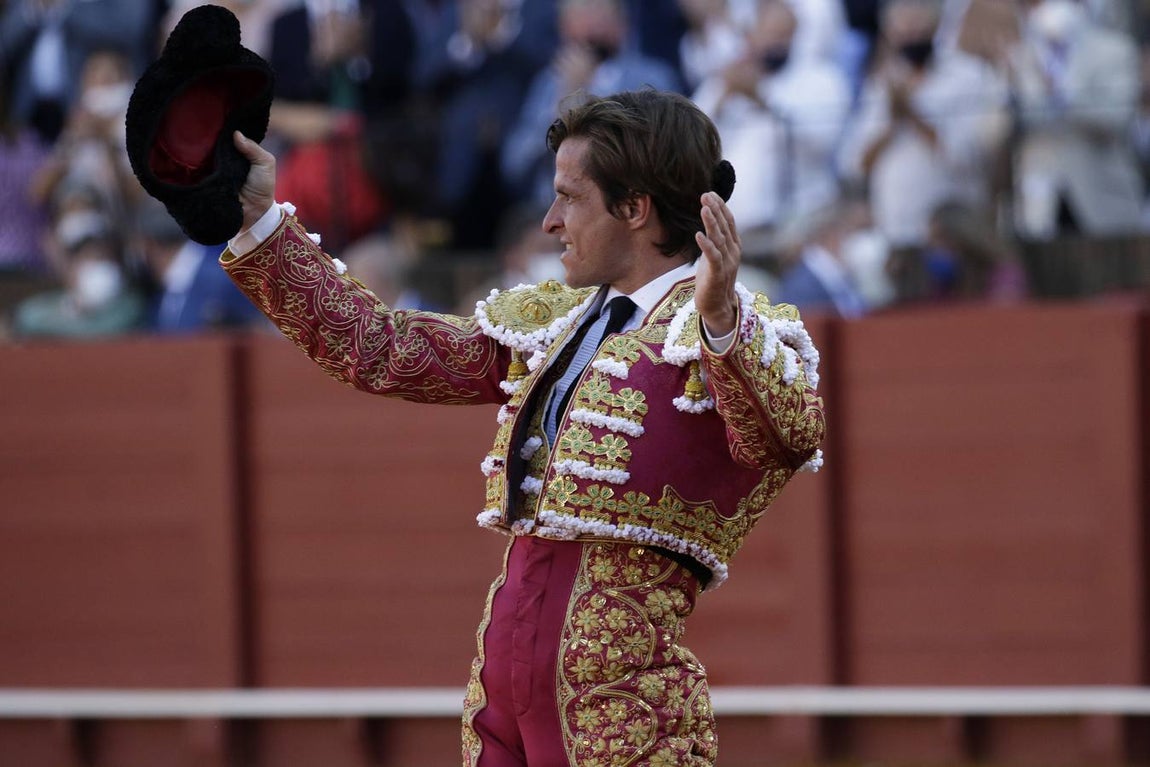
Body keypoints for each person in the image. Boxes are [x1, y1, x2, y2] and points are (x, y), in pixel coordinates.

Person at [222, 89, 824, 766]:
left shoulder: (722, 328)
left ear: (635, 208)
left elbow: (787, 434)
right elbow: (384, 348)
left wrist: (720, 320)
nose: (548, 222)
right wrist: (262, 223)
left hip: (624, 707)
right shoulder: (556, 320)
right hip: (500, 697)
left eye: (570, 197)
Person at [837, 0, 1008, 303]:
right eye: (902, 32)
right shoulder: (883, 82)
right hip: (896, 234)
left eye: (918, 29)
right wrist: (892, 118)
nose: (911, 39)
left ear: (934, 28)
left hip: (952, 237)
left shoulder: (968, 75)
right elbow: (854, 164)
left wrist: (915, 114)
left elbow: (969, 156)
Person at [691, 0, 851, 252]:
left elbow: (821, 144)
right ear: (750, 35)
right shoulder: (728, 78)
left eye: (783, 35)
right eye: (768, 34)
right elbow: (691, 135)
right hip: (739, 225)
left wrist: (760, 99)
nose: (775, 43)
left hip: (803, 221)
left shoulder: (820, 77)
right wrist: (725, 95)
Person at [500, 0, 683, 209]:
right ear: (562, 27)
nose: (589, 22)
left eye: (598, 10)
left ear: (622, 23)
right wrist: (559, 109)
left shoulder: (653, 78)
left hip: (626, 206)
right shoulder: (548, 84)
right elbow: (513, 164)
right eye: (579, 13)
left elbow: (664, 152)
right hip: (553, 209)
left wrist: (590, 93)